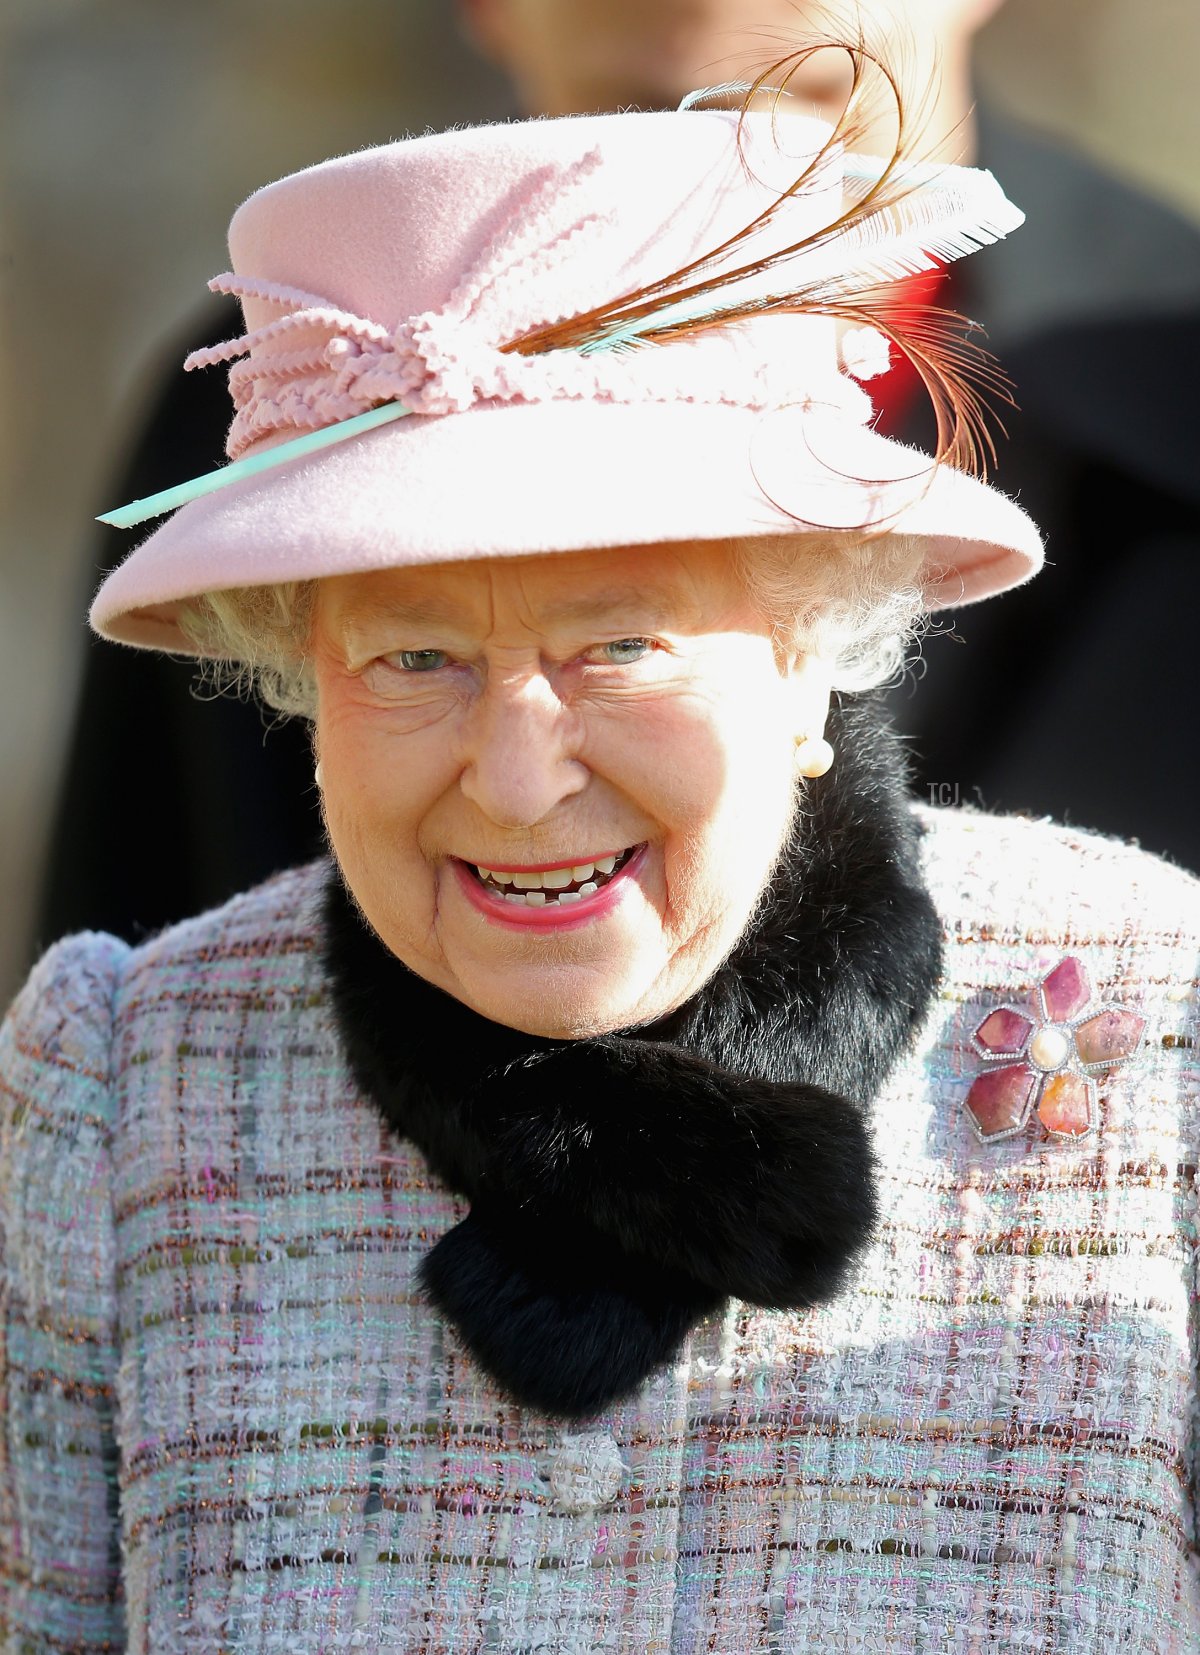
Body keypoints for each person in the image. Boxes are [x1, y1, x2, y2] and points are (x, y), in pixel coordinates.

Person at [4, 62, 1199, 1650]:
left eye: (621, 643)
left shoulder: (1162, 1025)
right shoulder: (125, 1084)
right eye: (411, 660)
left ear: (812, 646)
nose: (513, 779)